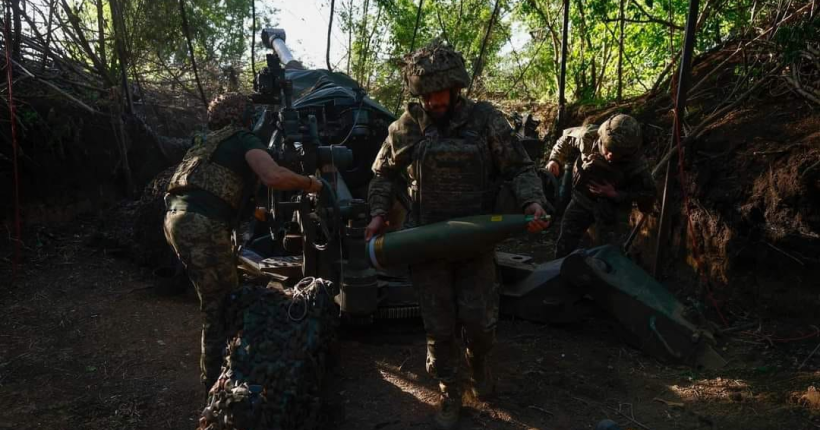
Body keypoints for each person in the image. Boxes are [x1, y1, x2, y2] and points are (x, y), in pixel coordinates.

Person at [365, 40, 551, 430]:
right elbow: (384, 174)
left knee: (480, 320)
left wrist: (533, 202)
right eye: (427, 93)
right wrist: (379, 213)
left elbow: (519, 168)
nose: (435, 100)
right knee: (439, 324)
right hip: (427, 242)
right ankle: (450, 389)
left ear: (456, 88)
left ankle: (479, 363)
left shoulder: (486, 122)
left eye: (441, 92)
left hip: (474, 240)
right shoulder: (407, 126)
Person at [163, 92, 323, 394]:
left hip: (175, 218)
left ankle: (222, 372)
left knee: (223, 292)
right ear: (247, 119)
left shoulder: (207, 142)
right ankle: (216, 387)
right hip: (201, 223)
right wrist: (310, 183)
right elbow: (273, 175)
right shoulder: (242, 139)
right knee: (220, 305)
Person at [545, 113, 656, 258]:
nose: (610, 156)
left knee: (610, 255)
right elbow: (565, 139)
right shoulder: (588, 137)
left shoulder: (636, 164)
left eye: (618, 154)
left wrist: (616, 194)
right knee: (565, 245)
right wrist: (554, 159)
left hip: (613, 211)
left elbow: (649, 194)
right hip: (581, 201)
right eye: (608, 150)